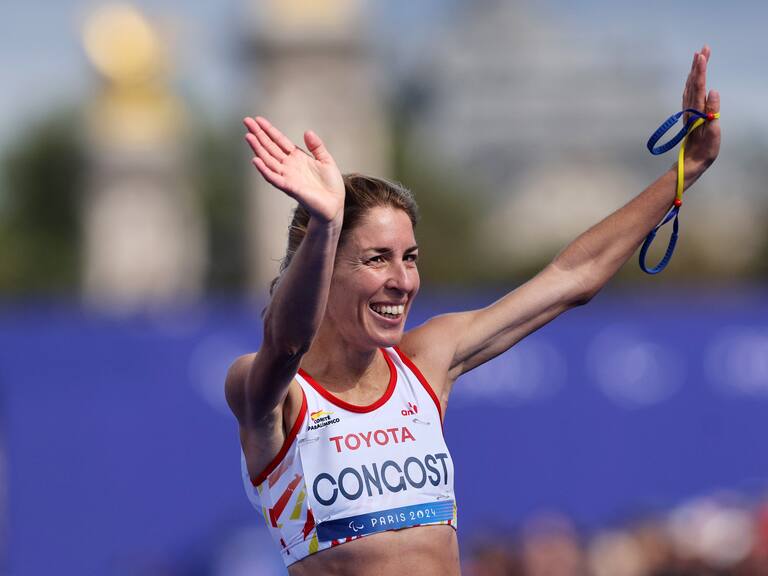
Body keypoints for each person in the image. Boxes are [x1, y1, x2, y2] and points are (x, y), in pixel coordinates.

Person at [225, 47, 720, 575]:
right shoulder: (274, 393)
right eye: (377, 259)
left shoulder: (425, 363)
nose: (403, 281)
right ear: (324, 268)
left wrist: (686, 169)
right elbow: (286, 343)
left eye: (409, 258)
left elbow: (572, 278)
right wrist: (324, 225)